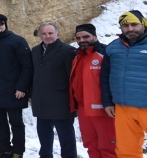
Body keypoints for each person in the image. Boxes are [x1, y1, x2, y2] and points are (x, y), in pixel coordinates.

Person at [0, 14, 32, 158]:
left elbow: (27, 66)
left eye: (0, 23)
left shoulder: (17, 41)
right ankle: (3, 149)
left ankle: (17, 151)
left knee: (16, 123)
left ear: (6, 24)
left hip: (13, 91)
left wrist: (22, 87)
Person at [101, 11, 147, 158]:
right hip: (123, 108)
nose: (130, 29)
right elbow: (105, 77)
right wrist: (107, 102)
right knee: (126, 151)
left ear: (143, 24)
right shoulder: (113, 47)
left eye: (134, 24)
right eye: (125, 26)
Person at [30, 23, 77, 158]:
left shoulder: (68, 51)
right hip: (41, 100)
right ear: (40, 36)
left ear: (58, 34)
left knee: (66, 136)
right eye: (44, 34)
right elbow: (33, 74)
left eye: (50, 33)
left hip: (61, 102)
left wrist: (73, 99)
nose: (47, 36)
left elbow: (72, 78)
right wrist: (31, 94)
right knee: (44, 134)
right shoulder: (35, 50)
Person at [69, 23, 116, 158]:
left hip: (103, 110)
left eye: (86, 36)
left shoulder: (105, 53)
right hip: (83, 109)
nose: (82, 40)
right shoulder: (77, 56)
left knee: (108, 146)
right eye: (78, 38)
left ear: (95, 36)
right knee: (91, 145)